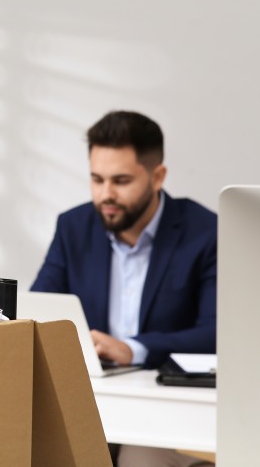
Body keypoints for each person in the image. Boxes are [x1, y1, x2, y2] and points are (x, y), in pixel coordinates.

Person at [31, 110, 216, 467]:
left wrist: (134, 349)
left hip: (165, 405)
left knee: (140, 458)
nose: (106, 195)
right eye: (97, 179)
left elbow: (216, 332)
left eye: (121, 181)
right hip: (90, 396)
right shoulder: (73, 227)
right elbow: (39, 309)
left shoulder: (205, 233)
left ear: (157, 177)